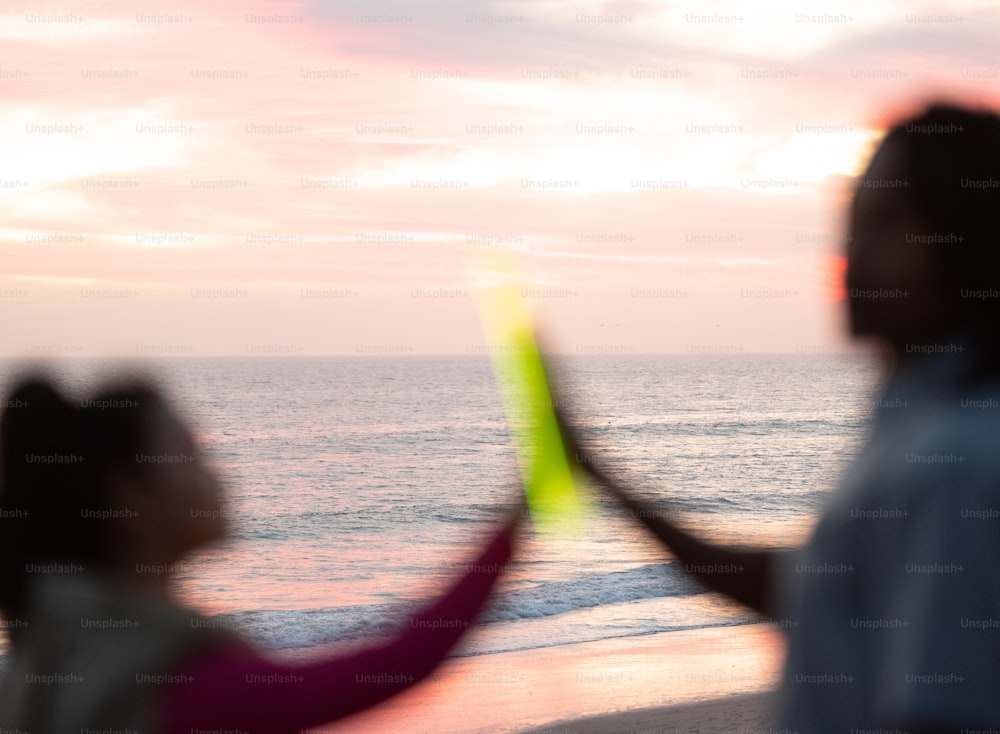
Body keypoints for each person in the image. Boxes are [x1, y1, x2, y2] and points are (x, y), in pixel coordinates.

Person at [557, 101, 1000, 733]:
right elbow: (801, 592)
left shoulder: (955, 462)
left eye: (889, 222)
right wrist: (599, 475)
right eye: (852, 222)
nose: (853, 252)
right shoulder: (911, 432)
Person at [0, 376, 523, 733]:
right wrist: (518, 517)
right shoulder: (181, 690)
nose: (216, 475)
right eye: (192, 457)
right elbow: (403, 659)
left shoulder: (47, 666)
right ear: (131, 498)